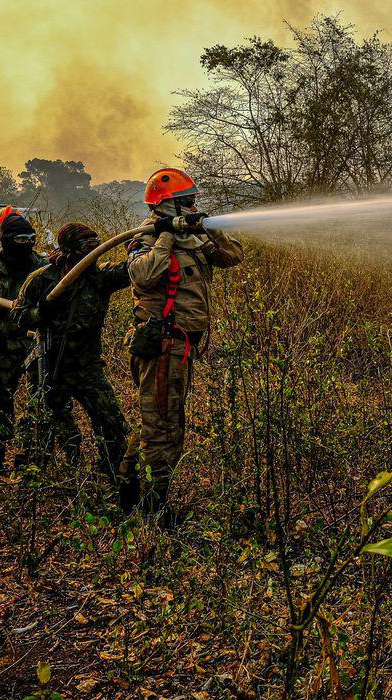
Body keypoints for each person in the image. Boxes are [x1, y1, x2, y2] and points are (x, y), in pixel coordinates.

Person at [123, 168, 243, 525]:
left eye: (194, 200)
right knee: (165, 428)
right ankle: (152, 507)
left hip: (182, 347)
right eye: (187, 201)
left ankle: (128, 489)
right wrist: (165, 237)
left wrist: (209, 226)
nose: (193, 205)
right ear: (167, 206)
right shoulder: (145, 241)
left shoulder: (195, 238)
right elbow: (142, 275)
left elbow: (232, 256)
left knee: (157, 420)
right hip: (163, 346)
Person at [11, 223, 134, 508]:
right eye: (84, 249)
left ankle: (120, 483)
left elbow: (132, 269)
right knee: (39, 424)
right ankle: (30, 489)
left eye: (95, 247)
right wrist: (40, 310)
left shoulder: (100, 276)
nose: (91, 254)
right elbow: (18, 317)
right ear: (66, 251)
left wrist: (153, 236)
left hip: (87, 366)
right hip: (50, 364)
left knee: (112, 423)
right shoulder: (42, 279)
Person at [0, 206, 77, 472]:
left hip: (36, 348)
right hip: (0, 350)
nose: (25, 245)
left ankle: (42, 462)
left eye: (30, 239)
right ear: (4, 240)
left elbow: (55, 312)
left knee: (44, 404)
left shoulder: (45, 270)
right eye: (19, 239)